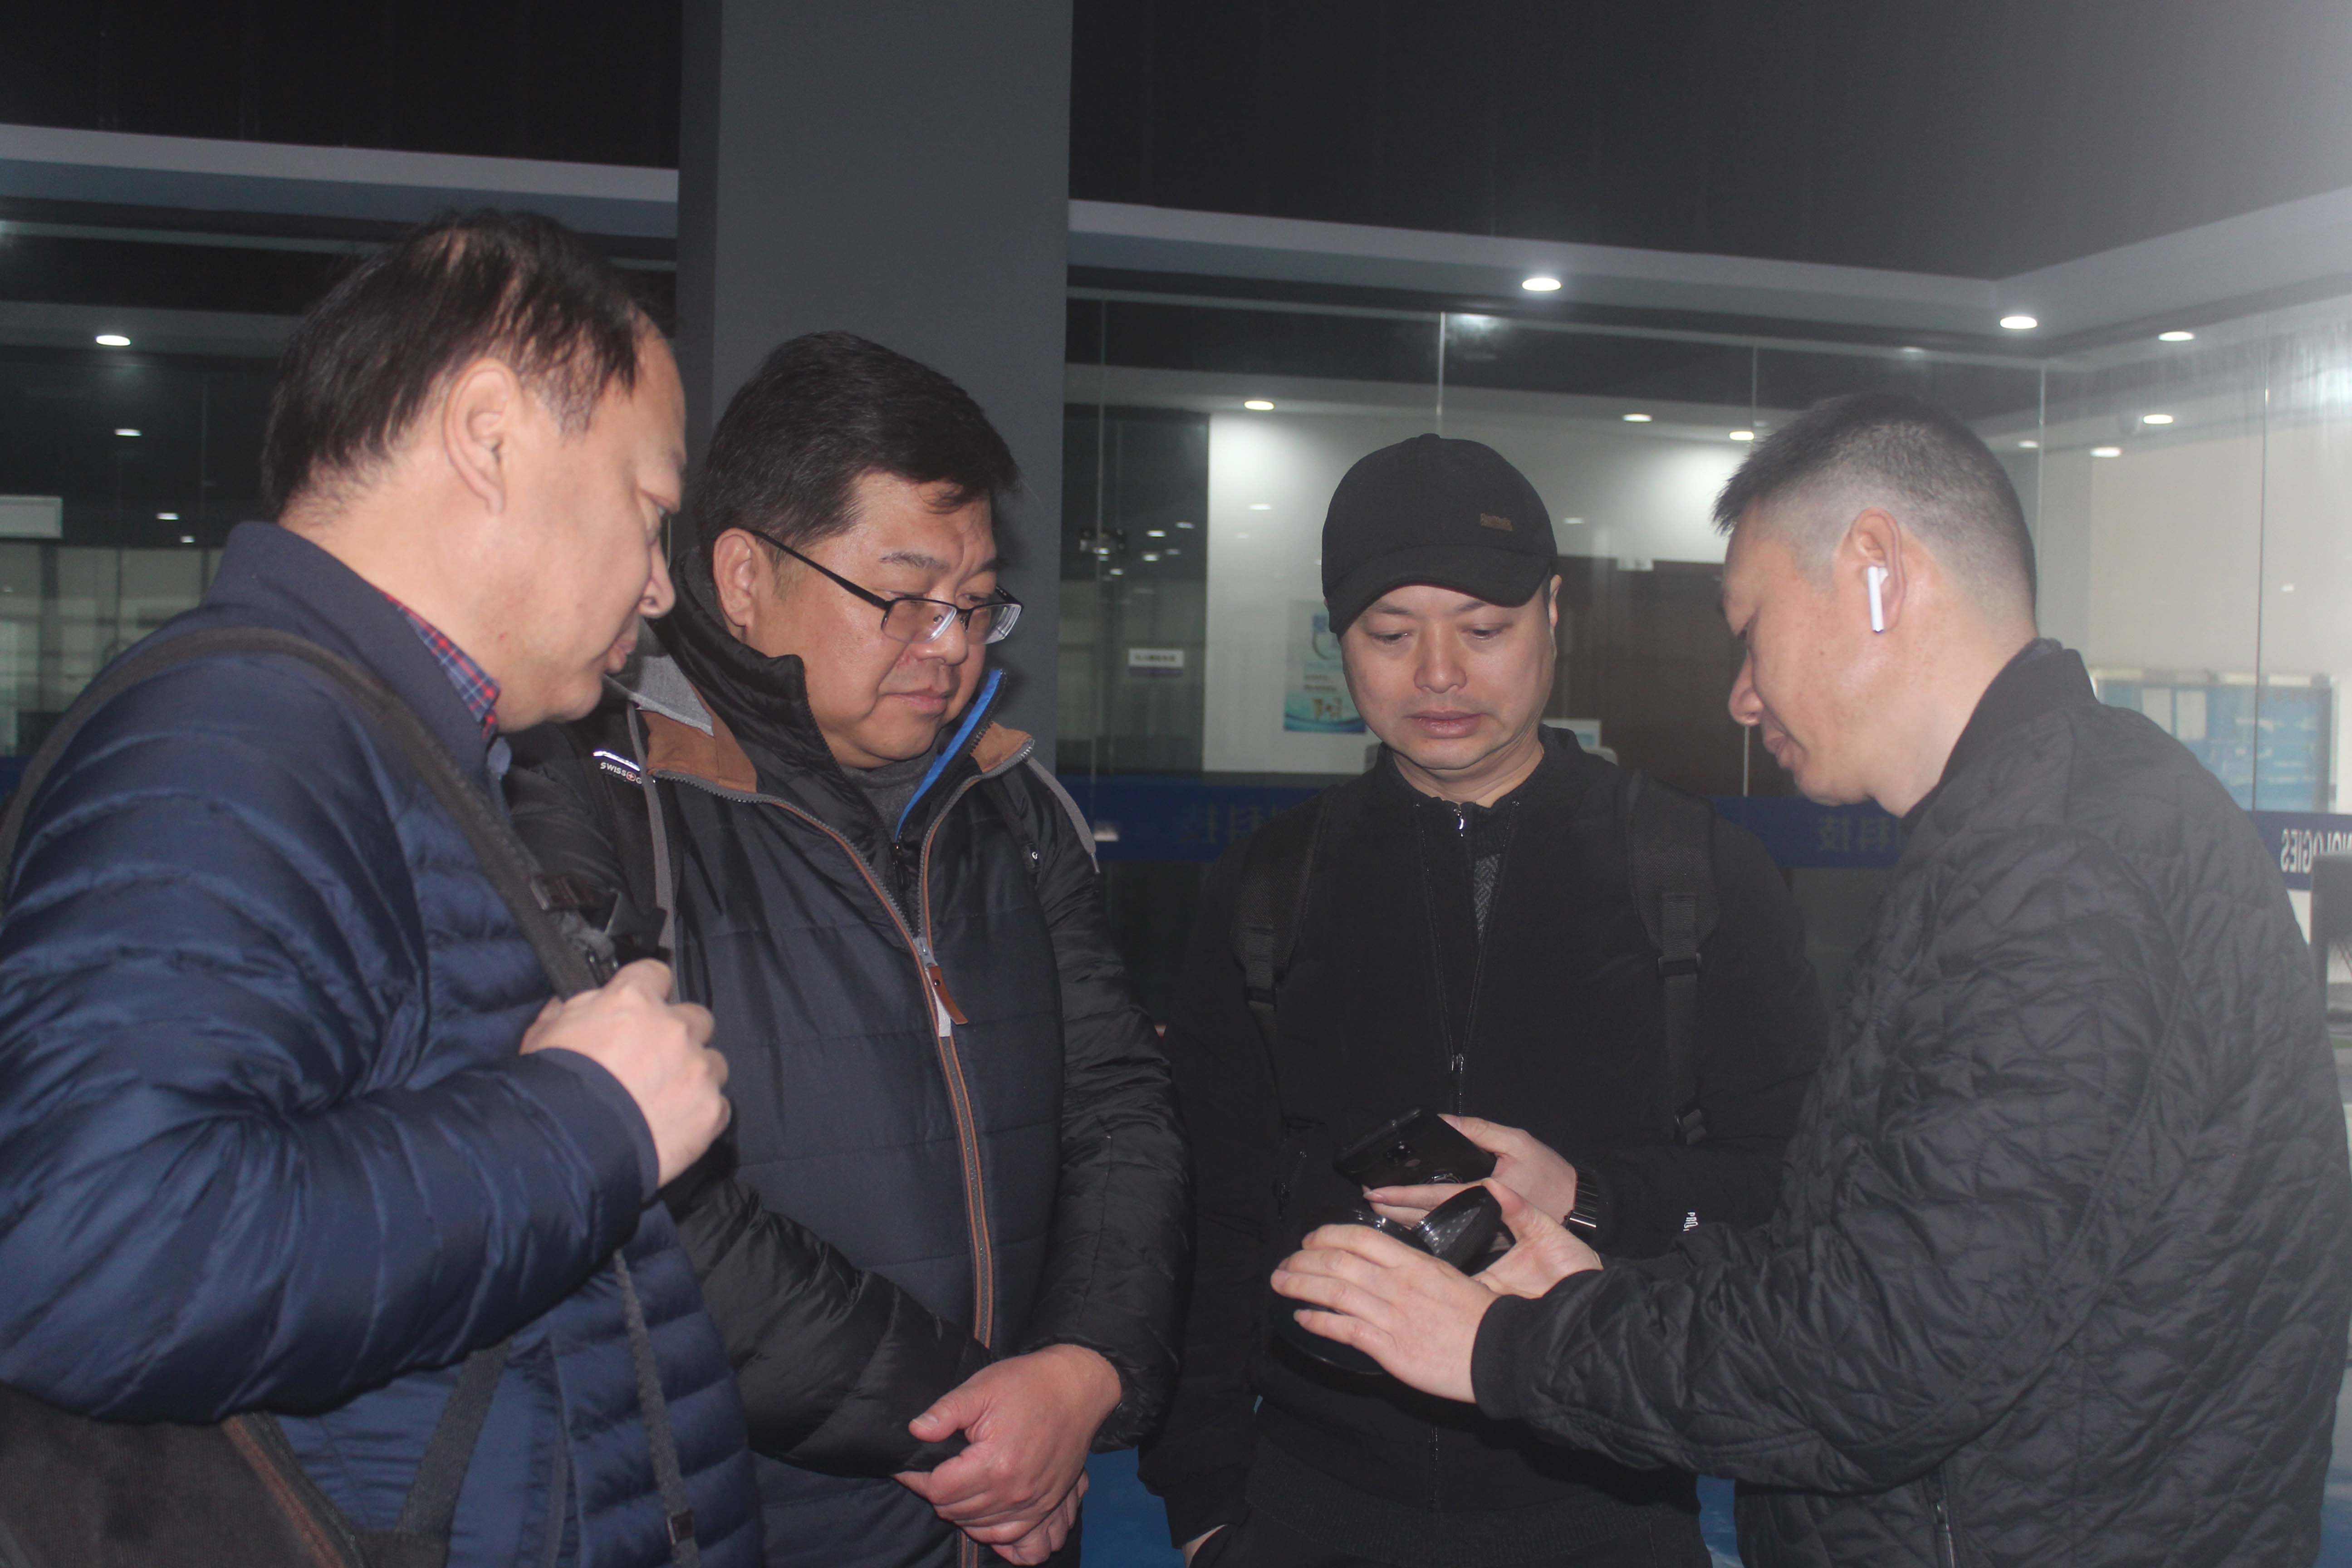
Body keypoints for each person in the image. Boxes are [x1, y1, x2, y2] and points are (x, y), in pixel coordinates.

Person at [1272, 393, 2352, 1567]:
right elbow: (1880, 1262)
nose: (1742, 694)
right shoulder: (2062, 823)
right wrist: (1590, 1254)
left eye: (1752, 629)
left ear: (1876, 571)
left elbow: (1886, 1358)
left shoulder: (2058, 871)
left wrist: (1503, 1349)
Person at [0, 211, 759, 1563]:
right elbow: (96, 1258)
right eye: (650, 508)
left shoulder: (373, 741)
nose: (659, 586)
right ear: (489, 434)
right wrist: (585, 1124)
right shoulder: (243, 741)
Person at [507, 330, 1188, 1568]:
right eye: (904, 598)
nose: (951, 644)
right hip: (743, 1518)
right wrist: (971, 1431)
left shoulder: (1013, 808)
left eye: (975, 604)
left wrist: (1083, 1372)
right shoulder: (603, 798)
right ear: (744, 575)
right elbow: (647, 1205)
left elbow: (1119, 1109)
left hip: (1017, 1514)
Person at [1140, 434, 1827, 1568]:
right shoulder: (1268, 888)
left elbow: (1794, 1188)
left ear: (1553, 614)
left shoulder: (1697, 875)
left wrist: (1593, 1200)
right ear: (1341, 639)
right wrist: (1205, 1505)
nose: (1439, 675)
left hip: (1609, 1503)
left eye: (1484, 629)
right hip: (1310, 1505)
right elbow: (1209, 1212)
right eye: (1390, 634)